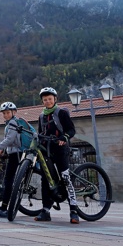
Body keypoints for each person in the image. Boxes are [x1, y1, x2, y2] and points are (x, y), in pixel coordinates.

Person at [35, 87, 79, 224]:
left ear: (55, 99)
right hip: (47, 151)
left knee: (65, 177)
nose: (47, 101)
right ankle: (46, 211)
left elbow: (71, 130)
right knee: (46, 180)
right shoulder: (41, 116)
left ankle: (74, 210)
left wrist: (64, 138)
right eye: (45, 100)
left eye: (49, 99)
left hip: (60, 149)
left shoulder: (61, 113)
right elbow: (40, 133)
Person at [0, 102, 24, 218]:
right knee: (8, 179)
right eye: (4, 113)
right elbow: (11, 140)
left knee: (8, 181)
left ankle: (4, 208)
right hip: (13, 153)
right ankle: (5, 206)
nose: (6, 115)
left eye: (8, 112)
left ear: (14, 112)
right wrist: (4, 150)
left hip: (16, 154)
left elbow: (9, 139)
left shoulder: (13, 123)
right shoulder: (10, 124)